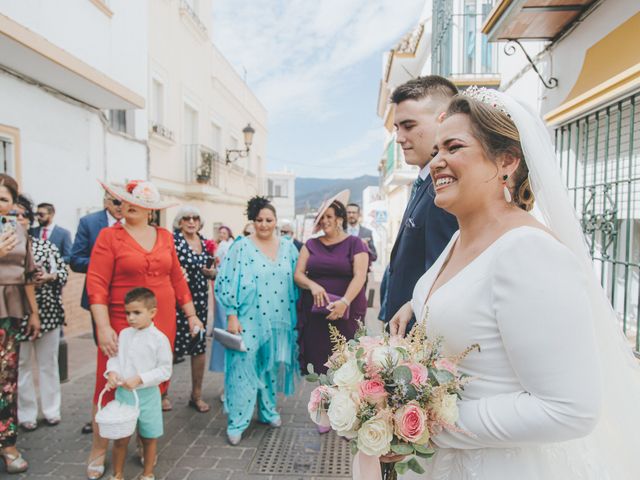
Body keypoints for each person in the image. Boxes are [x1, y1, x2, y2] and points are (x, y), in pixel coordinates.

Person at [389, 89, 640, 478]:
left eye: (453, 147)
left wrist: (426, 423)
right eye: (436, 149)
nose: (437, 161)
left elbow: (570, 409)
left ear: (506, 161)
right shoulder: (460, 238)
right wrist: (418, 305)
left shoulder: (529, 252)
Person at [85, 180, 203, 479]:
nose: (126, 205)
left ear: (150, 209)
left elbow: (177, 278)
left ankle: (142, 439)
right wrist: (102, 326)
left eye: (134, 202)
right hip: (121, 321)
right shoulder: (109, 236)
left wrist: (191, 315)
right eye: (123, 201)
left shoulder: (164, 235)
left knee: (150, 384)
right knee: (111, 383)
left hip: (161, 320)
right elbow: (96, 283)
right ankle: (99, 449)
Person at [216, 196, 299, 445]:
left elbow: (299, 278)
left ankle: (267, 411)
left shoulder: (288, 246)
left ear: (276, 221)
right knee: (242, 370)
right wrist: (231, 314)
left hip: (279, 320)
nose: (264, 224)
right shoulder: (240, 247)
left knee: (271, 367)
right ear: (253, 221)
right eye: (259, 220)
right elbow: (225, 280)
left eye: (269, 220)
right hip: (247, 319)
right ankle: (238, 421)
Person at [384, 76, 459, 326]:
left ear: (445, 119)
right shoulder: (424, 182)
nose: (399, 138)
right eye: (397, 128)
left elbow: (444, 274)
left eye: (409, 125)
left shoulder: (447, 192)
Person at [294, 191, 369, 433]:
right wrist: (312, 284)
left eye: (329, 216)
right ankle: (324, 414)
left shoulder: (355, 244)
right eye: (321, 217)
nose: (325, 221)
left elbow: (360, 275)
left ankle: (346, 417)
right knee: (321, 363)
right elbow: (298, 275)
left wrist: (345, 302)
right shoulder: (311, 244)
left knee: (346, 366)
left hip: (346, 312)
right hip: (317, 316)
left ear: (339, 218)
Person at [70, 189, 123, 435]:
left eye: (125, 202)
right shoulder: (90, 223)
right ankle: (101, 412)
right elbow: (76, 259)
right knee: (106, 356)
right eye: (116, 202)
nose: (121, 206)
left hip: (128, 302)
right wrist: (104, 262)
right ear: (106, 202)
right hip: (99, 301)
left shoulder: (135, 224)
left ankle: (125, 408)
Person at [105, 287, 172, 480]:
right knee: (121, 438)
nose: (131, 318)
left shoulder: (159, 339)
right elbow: (116, 358)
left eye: (137, 313)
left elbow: (165, 370)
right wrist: (113, 372)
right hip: (124, 396)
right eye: (127, 313)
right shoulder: (125, 334)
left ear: (152, 313)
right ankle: (117, 474)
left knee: (149, 437)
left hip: (148, 395)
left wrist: (141, 378)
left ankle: (148, 473)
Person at [14, 195, 67, 431]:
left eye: (24, 215)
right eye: (14, 215)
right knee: (21, 365)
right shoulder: (7, 248)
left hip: (47, 310)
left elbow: (62, 272)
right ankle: (26, 413)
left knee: (48, 363)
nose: (20, 219)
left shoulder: (45, 245)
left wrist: (51, 276)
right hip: (17, 312)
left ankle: (51, 409)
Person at [0, 173, 40, 474]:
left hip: (10, 312)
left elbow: (28, 274)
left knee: (7, 380)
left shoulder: (20, 231)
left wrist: (35, 313)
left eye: (3, 199)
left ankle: (8, 444)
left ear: (13, 204)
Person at [170, 206, 215, 413]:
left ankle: (196, 395)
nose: (190, 221)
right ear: (179, 222)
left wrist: (211, 272)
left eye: (195, 218)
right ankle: (161, 394)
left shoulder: (204, 242)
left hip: (200, 301)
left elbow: (208, 268)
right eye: (186, 218)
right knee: (170, 347)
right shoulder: (174, 241)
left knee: (198, 347)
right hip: (177, 301)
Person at [209, 225, 234, 374]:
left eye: (225, 232)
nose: (222, 235)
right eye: (221, 232)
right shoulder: (220, 245)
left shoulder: (231, 245)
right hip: (220, 285)